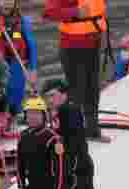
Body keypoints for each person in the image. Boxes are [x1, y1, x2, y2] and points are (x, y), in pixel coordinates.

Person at [44, 0, 107, 141]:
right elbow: (49, 13)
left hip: (94, 45)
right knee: (76, 92)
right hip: (72, 47)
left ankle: (92, 131)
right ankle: (72, 134)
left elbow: (99, 12)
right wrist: (75, 12)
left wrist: (103, 36)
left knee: (93, 89)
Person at [0, 0, 38, 135]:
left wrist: (33, 69)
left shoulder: (23, 21)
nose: (6, 4)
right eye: (3, 1)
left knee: (16, 92)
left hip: (17, 63)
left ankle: (13, 119)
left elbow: (31, 45)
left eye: (10, 1)